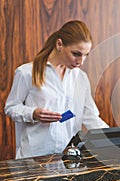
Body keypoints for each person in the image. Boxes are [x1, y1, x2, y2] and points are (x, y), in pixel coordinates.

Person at [5, 20, 109, 159]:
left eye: (85, 55)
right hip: (34, 157)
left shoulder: (81, 78)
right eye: (76, 54)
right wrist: (33, 113)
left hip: (68, 158)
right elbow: (11, 108)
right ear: (59, 44)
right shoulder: (26, 72)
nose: (81, 61)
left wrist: (115, 139)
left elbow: (90, 117)